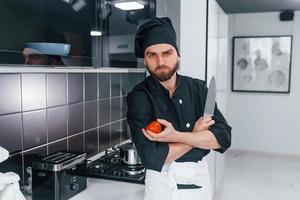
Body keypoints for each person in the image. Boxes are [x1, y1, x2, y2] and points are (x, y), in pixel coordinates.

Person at [126, 17, 231, 200]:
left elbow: (223, 137)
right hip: (160, 181)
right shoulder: (139, 97)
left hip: (197, 178)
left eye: (167, 53)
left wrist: (176, 136)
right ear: (145, 60)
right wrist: (196, 135)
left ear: (178, 55)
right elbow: (152, 158)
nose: (160, 61)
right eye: (152, 55)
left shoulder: (198, 89)